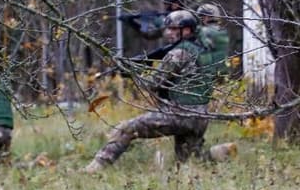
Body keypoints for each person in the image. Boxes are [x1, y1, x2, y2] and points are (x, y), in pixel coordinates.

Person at [85, 10, 236, 173]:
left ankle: (94, 169)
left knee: (126, 129)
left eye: (173, 29)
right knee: (193, 159)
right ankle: (224, 151)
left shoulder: (177, 53)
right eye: (168, 29)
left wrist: (132, 73)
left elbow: (153, 83)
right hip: (200, 118)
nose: (168, 33)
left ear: (187, 30)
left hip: (179, 114)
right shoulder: (202, 51)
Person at [196, 2, 230, 81]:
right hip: (222, 70)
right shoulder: (222, 30)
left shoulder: (204, 31)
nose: (200, 19)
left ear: (207, 17)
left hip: (210, 72)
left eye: (202, 16)